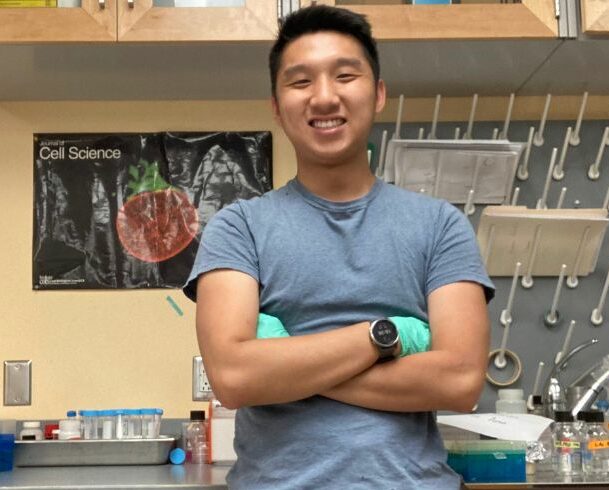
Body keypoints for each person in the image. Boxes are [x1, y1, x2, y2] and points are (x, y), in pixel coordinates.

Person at [183, 5, 494, 489]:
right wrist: (379, 337)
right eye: (300, 81)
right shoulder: (237, 228)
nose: (324, 97)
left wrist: (286, 367)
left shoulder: (440, 226)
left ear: (379, 93)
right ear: (275, 104)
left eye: (345, 75)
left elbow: (459, 383)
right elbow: (234, 379)